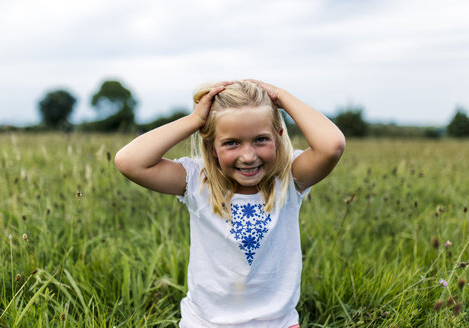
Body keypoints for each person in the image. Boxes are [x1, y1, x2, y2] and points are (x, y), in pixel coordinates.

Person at [115, 80, 345, 327]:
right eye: (231, 143)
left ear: (278, 138)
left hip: (276, 322)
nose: (248, 156)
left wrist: (282, 97)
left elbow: (332, 146)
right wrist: (194, 120)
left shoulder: (289, 180)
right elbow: (129, 161)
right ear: (212, 147)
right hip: (205, 323)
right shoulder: (197, 181)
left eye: (260, 140)